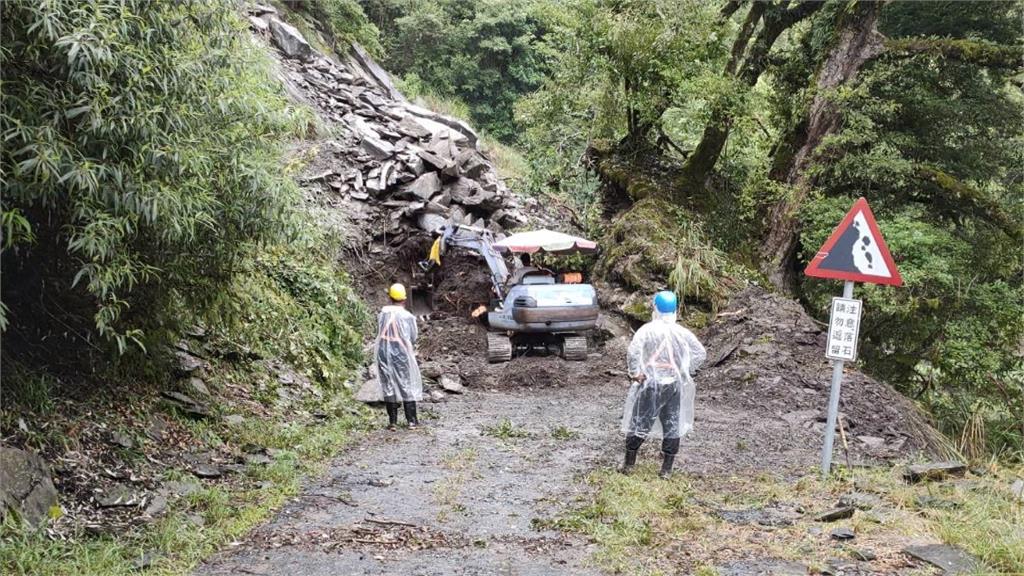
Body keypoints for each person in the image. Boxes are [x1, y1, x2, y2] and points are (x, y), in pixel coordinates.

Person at [620, 291, 706, 478]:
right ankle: (666, 470)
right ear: (675, 309)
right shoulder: (682, 331)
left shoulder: (647, 330)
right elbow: (700, 353)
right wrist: (685, 370)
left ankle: (628, 465)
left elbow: (634, 351)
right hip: (674, 384)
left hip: (650, 383)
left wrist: (635, 373)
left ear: (655, 308)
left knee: (639, 421)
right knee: (672, 423)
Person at [375, 283, 423, 430]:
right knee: (405, 383)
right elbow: (413, 337)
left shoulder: (382, 313)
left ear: (390, 297)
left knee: (388, 384)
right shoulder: (407, 316)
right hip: (401, 351)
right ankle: (411, 421)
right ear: (404, 299)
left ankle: (393, 422)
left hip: (382, 350)